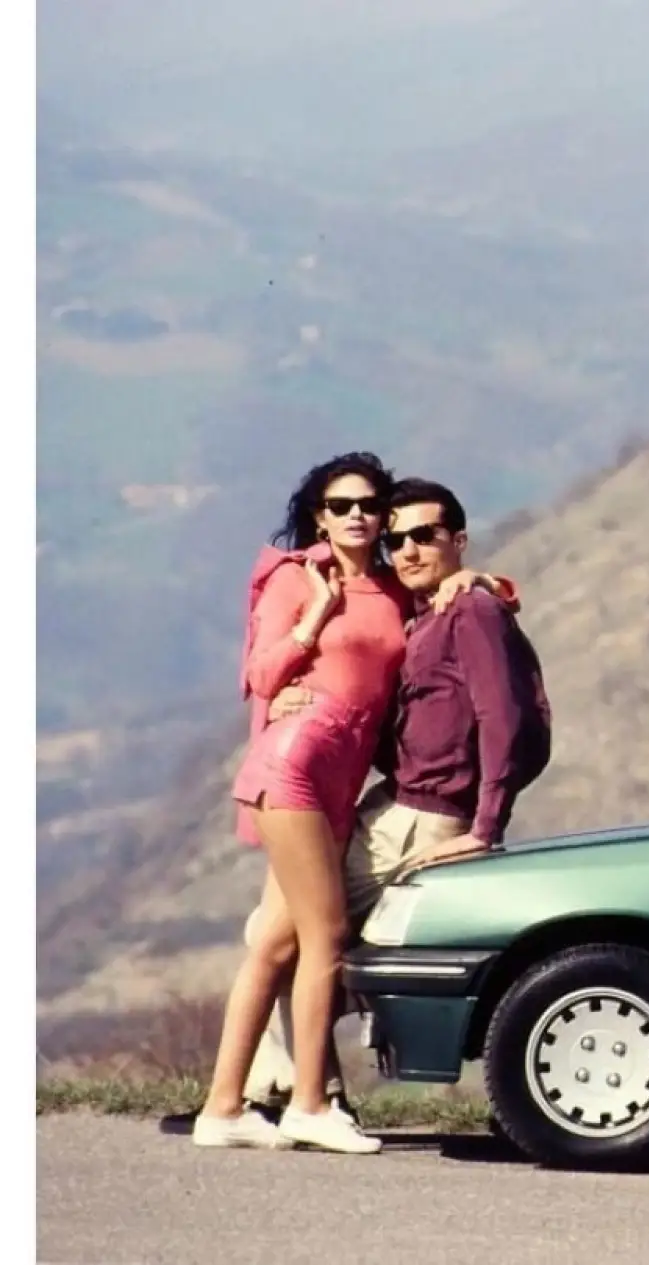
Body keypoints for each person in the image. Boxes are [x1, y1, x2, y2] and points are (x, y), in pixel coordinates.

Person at [192, 454, 515, 1154]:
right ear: (319, 515)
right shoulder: (295, 575)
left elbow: (445, 612)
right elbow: (261, 674)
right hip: (295, 763)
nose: (359, 517)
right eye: (341, 506)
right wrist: (315, 616)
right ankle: (309, 1100)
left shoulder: (394, 588)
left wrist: (480, 579)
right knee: (324, 936)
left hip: (341, 783)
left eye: (369, 504)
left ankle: (222, 1107)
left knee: (275, 941)